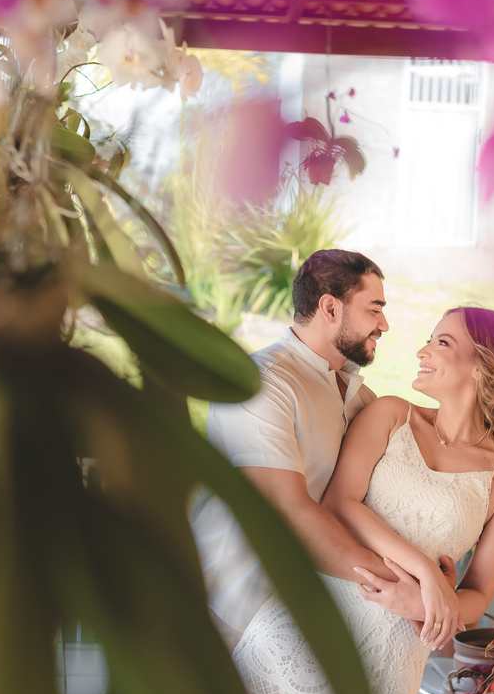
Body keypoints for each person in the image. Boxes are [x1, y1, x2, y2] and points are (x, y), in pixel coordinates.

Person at [231, 306, 494, 694]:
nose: (422, 351)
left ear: (483, 363)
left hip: (388, 661)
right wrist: (427, 573)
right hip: (308, 623)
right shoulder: (392, 415)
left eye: (441, 343)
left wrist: (422, 603)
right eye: (429, 339)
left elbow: (477, 594)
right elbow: (340, 503)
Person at [191, 249, 455, 649]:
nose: (385, 324)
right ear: (330, 308)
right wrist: (413, 587)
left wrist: (429, 580)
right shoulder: (261, 385)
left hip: (304, 625)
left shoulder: (362, 398)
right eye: (374, 309)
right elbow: (290, 514)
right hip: (229, 616)